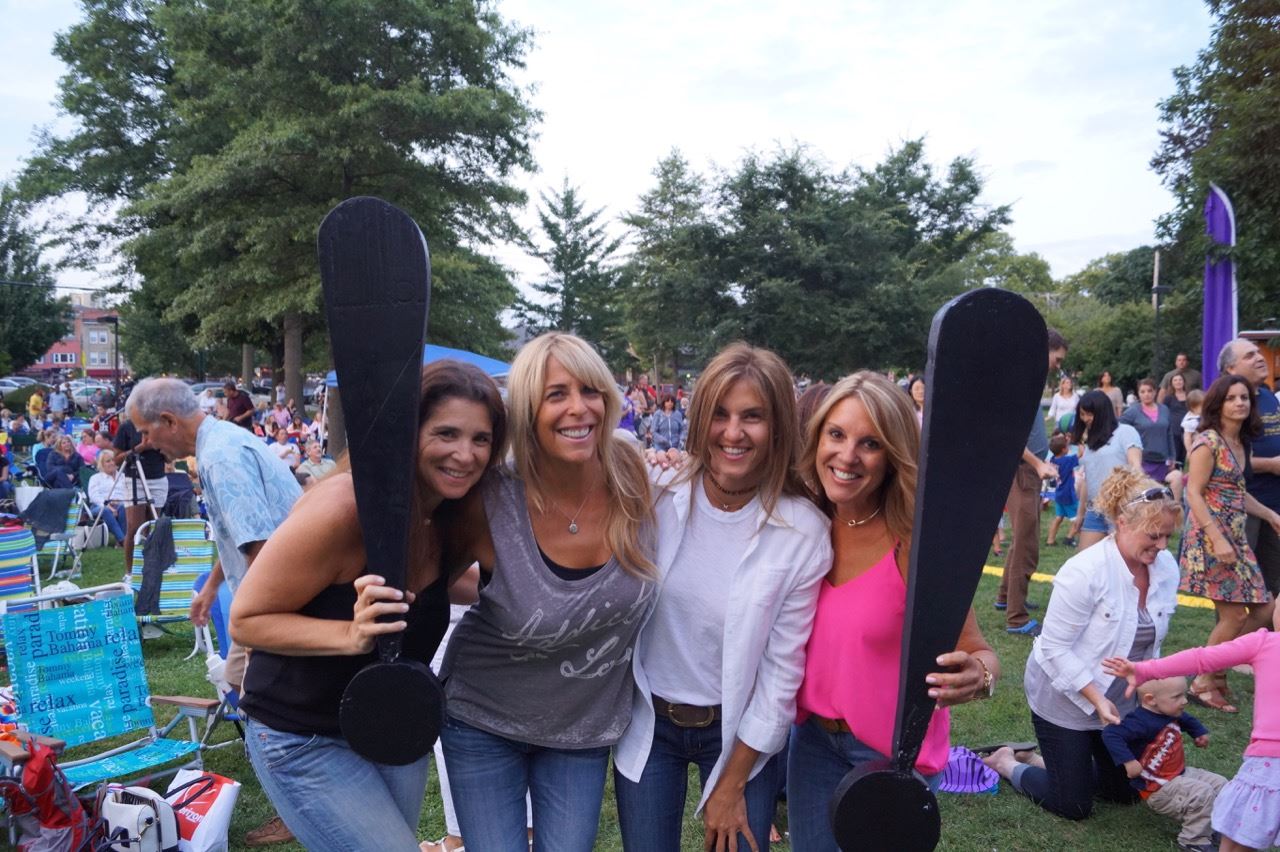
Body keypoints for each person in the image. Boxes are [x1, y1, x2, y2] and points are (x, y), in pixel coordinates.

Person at [230, 361, 505, 851]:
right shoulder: (343, 507)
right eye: (446, 433)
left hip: (393, 725)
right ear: (405, 432)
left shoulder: (450, 515)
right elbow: (247, 619)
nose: (465, 455)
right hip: (301, 734)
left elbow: (454, 585)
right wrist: (349, 635)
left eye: (480, 439)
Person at [438, 332, 657, 852]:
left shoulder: (636, 478)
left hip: (582, 729)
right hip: (481, 719)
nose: (578, 408)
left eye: (590, 390)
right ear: (529, 410)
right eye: (556, 394)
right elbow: (432, 577)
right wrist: (497, 589)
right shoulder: (492, 496)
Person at [614, 344, 832, 851]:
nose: (733, 433)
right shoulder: (658, 489)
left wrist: (732, 783)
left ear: (777, 425)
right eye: (720, 414)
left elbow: (781, 676)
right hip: (650, 724)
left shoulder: (804, 532)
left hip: (738, 736)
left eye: (752, 417)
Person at [786, 372, 999, 851]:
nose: (847, 456)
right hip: (813, 745)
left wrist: (979, 675)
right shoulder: (801, 523)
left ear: (893, 455)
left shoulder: (916, 544)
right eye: (836, 434)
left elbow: (980, 651)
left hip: (891, 757)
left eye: (870, 443)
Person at [126, 377, 302, 848]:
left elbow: (263, 549)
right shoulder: (221, 443)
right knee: (255, 696)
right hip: (272, 598)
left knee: (260, 700)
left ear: (167, 421)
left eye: (144, 432)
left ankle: (297, 806)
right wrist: (210, 588)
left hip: (277, 601)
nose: (144, 443)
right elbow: (235, 532)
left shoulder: (220, 457)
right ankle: (297, 796)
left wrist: (258, 617)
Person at [983, 467, 1181, 821]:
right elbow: (1054, 649)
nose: (1162, 546)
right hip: (1067, 696)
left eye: (1168, 536)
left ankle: (1052, 763)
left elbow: (1151, 647)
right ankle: (1008, 762)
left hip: (1120, 703)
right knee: (1074, 804)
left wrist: (1156, 694)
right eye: (1154, 536)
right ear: (1121, 523)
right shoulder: (1084, 572)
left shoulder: (1165, 567)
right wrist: (1096, 699)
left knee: (1128, 792)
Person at [1104, 614, 1280, 852]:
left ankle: (1209, 834)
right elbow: (1201, 659)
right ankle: (1197, 840)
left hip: (1268, 762)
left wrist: (1145, 670)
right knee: (1234, 821)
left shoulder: (1266, 643)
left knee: (1239, 830)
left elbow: (1201, 659)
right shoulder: (1140, 722)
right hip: (1266, 763)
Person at [1178, 373, 1280, 712]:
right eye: (1232, 398)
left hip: (1234, 538)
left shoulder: (1241, 444)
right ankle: (1205, 680)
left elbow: (1237, 493)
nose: (1240, 403)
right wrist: (1217, 537)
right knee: (1236, 617)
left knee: (1264, 608)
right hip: (1211, 538)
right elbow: (1192, 492)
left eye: (1245, 398)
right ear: (1218, 405)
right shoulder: (1208, 442)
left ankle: (1214, 672)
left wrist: (1269, 515)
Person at [1099, 675, 1226, 852]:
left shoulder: (1170, 711)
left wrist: (1199, 733)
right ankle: (1193, 841)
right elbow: (1111, 734)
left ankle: (1214, 829)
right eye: (1177, 696)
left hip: (1179, 774)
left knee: (1222, 785)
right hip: (1158, 788)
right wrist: (1129, 762)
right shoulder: (1139, 722)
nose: (1184, 701)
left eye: (1184, 694)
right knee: (1202, 794)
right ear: (1151, 700)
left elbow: (1186, 719)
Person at [997, 328, 1068, 635]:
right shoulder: (1020, 382)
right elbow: (1006, 435)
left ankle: (1005, 598)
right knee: (1027, 545)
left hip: (1029, 472)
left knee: (1021, 541)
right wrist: (1038, 463)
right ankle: (1017, 618)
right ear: (1044, 351)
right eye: (1057, 358)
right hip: (1024, 472)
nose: (1058, 366)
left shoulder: (1027, 381)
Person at [1221, 338, 1280, 598]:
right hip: (1244, 507)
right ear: (1231, 369)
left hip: (1275, 505)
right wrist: (1271, 465)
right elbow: (1222, 459)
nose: (1259, 357)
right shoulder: (1229, 404)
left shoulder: (1267, 396)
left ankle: (1269, 639)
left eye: (1258, 352)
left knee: (1273, 583)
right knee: (1240, 591)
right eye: (1249, 355)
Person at [1070, 390, 1144, 551]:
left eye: (1089, 414)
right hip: (1095, 510)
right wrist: (1080, 513)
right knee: (1085, 563)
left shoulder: (1125, 432)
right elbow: (1088, 479)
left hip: (1121, 509)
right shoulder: (1088, 441)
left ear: (1103, 413)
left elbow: (1136, 467)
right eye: (1082, 414)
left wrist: (1134, 506)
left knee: (1121, 563)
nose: (1085, 419)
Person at [113, 417, 169, 575]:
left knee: (153, 527)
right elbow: (116, 459)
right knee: (134, 527)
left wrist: (158, 446)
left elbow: (170, 458)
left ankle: (151, 569)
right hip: (134, 477)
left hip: (158, 478)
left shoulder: (159, 424)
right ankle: (129, 573)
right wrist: (140, 448)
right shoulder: (127, 426)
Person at [1121, 378, 1181, 496]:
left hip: (1163, 461)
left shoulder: (1164, 410)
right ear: (1138, 394)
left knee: (1167, 491)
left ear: (1155, 392)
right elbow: (1119, 427)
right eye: (1142, 392)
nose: (1146, 394)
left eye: (1149, 391)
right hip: (1143, 461)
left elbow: (1169, 434)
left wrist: (1172, 457)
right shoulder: (1133, 411)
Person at [1045, 434, 1080, 548]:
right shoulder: (1067, 460)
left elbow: (1061, 450)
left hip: (1058, 494)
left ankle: (1050, 540)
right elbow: (1081, 454)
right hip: (1068, 495)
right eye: (1066, 446)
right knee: (1078, 519)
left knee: (1059, 518)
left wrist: (1066, 442)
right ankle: (1069, 538)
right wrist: (1081, 442)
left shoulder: (1053, 459)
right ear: (1064, 449)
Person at [86, 450, 129, 545]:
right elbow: (93, 496)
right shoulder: (95, 478)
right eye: (108, 461)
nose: (112, 463)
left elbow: (128, 493)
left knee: (123, 507)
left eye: (113, 460)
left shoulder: (123, 477)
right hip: (98, 506)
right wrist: (107, 505)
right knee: (105, 510)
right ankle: (123, 541)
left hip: (120, 504)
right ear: (102, 464)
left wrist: (119, 501)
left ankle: (121, 540)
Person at [1164, 372, 1192, 467]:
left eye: (1180, 380)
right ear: (1172, 383)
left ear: (1184, 382)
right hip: (1174, 429)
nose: (1178, 382)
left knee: (1186, 453)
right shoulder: (1168, 398)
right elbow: (1164, 412)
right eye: (1175, 380)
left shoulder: (1190, 396)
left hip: (1188, 430)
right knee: (1175, 452)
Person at [1182, 389, 1205, 461]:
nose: (1205, 408)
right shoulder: (1190, 420)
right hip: (1196, 447)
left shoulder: (1201, 415)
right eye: (1202, 406)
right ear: (1193, 408)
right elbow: (1187, 436)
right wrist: (1189, 450)